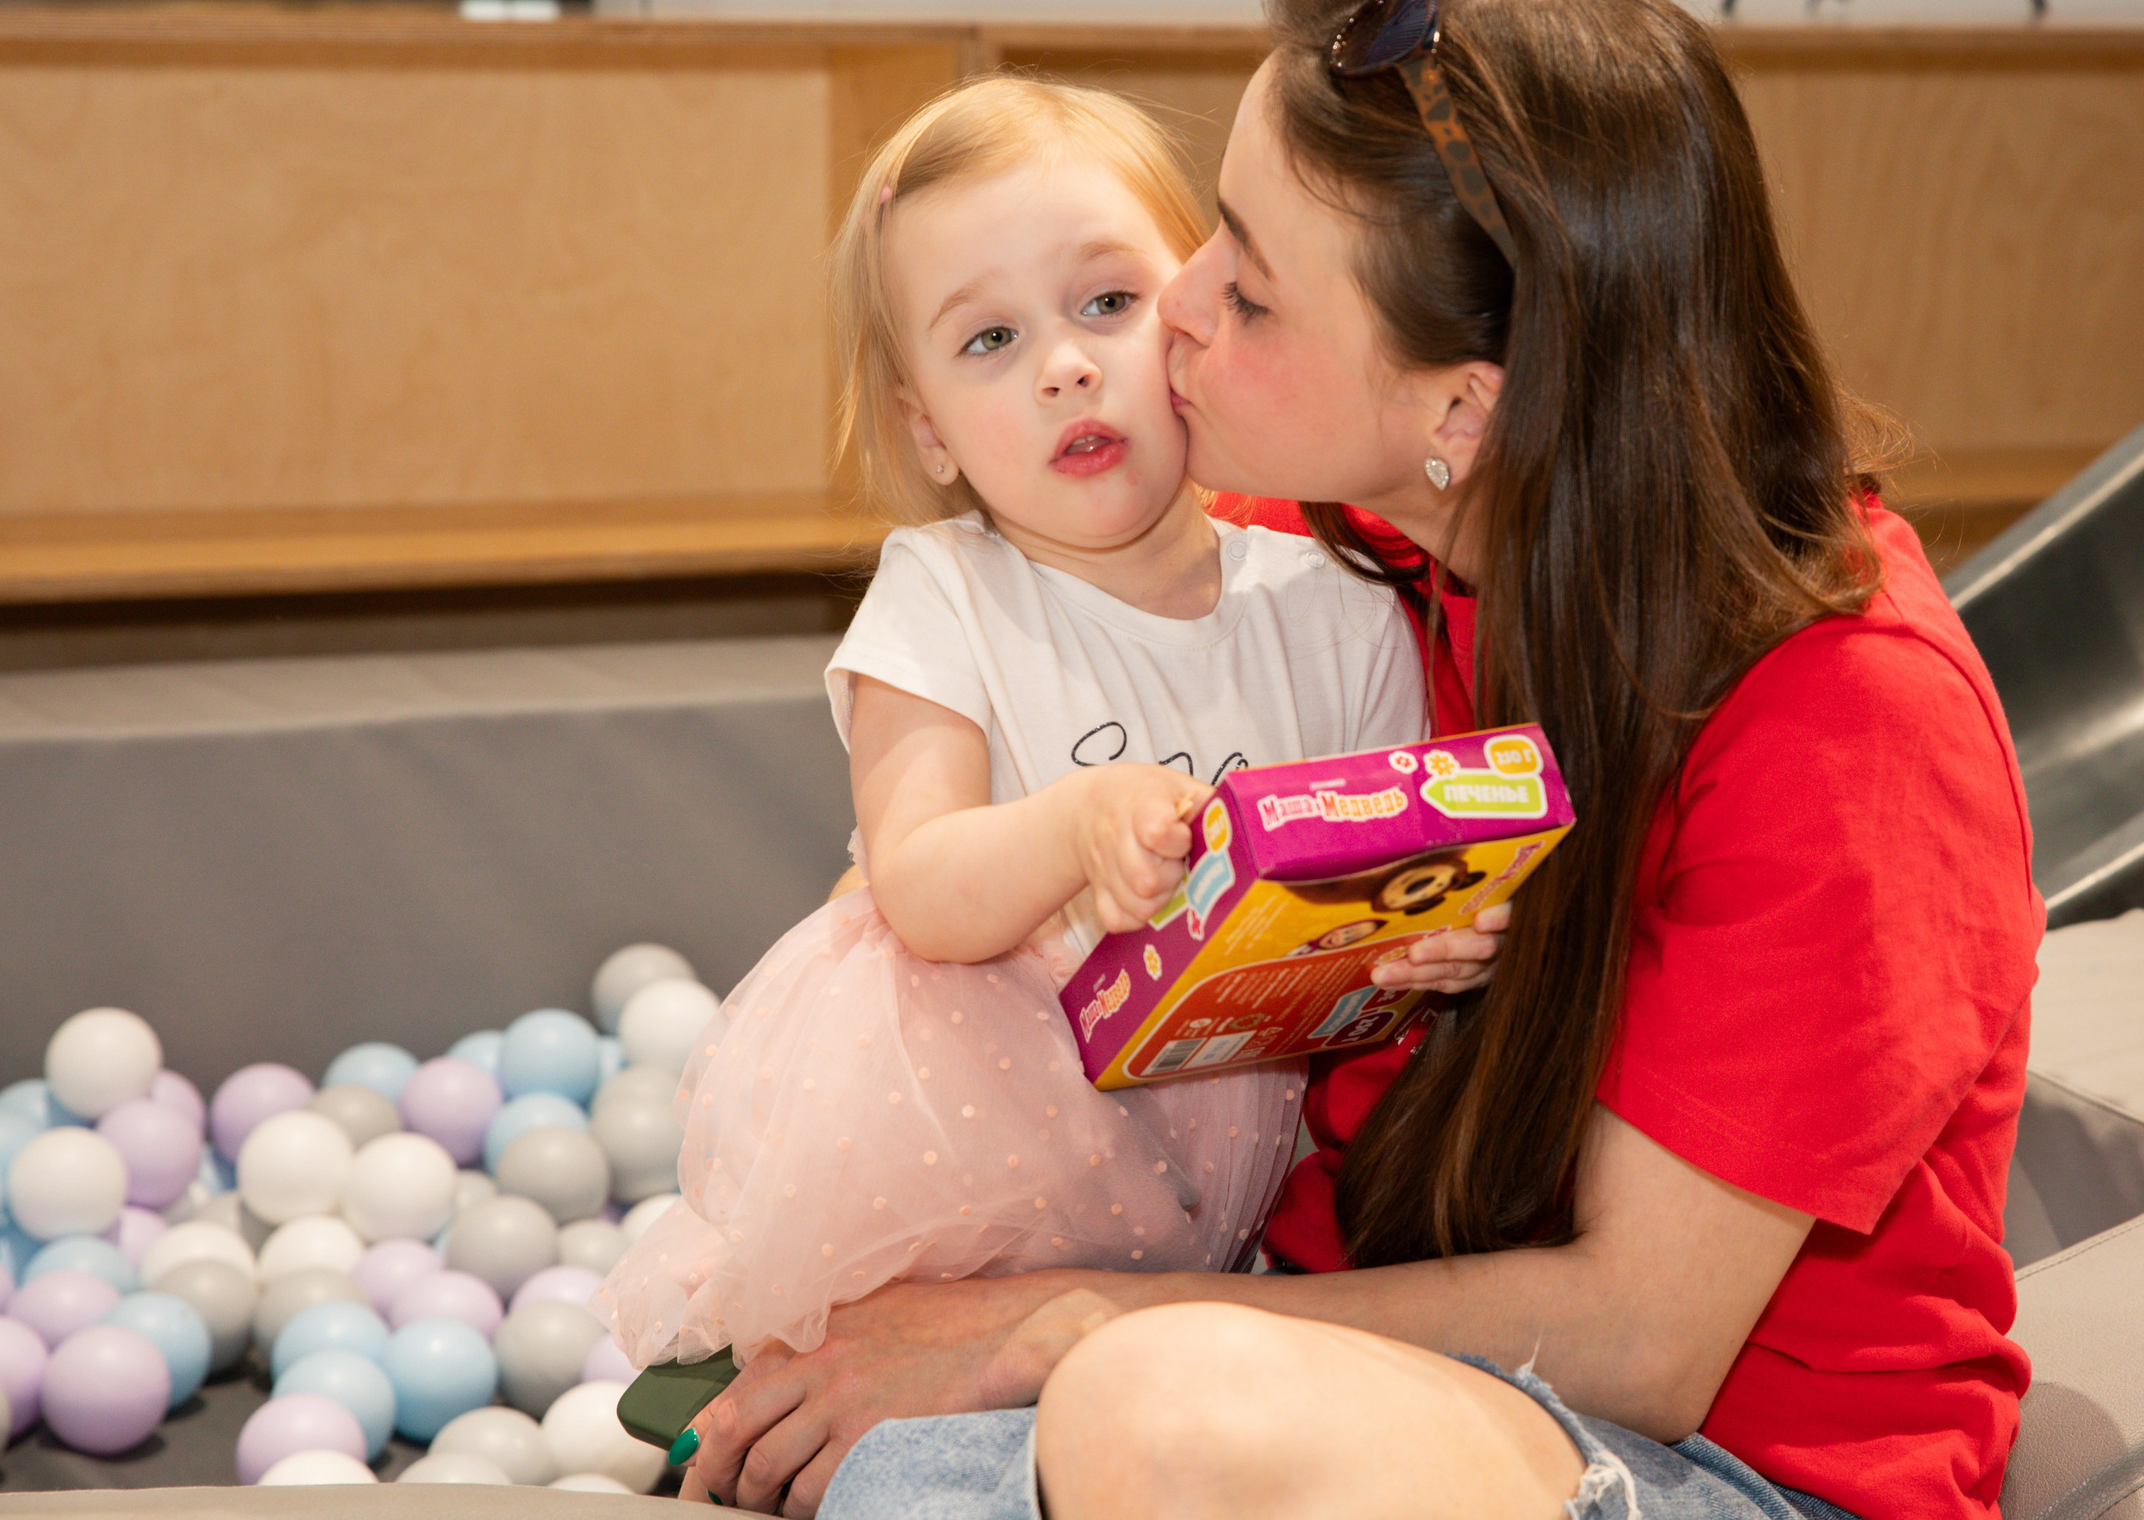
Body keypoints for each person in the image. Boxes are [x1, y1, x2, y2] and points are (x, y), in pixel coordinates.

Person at [680, 0, 2042, 1520]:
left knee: (1153, 1418)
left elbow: (1640, 1337)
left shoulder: (1846, 730)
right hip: (1345, 1328)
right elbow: (951, 850)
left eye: (1247, 292)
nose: (1169, 313)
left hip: (1688, 1457)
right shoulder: (1359, 540)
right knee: (862, 1464)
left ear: (1464, 405)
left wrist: (1051, 1327)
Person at [597, 75, 1502, 1374]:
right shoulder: (946, 594)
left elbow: (1372, 884)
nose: (1066, 364)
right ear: (932, 431)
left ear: (1196, 320)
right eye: (989, 342)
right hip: (964, 1159)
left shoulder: (1334, 608)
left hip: (1215, 1180)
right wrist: (1075, 826)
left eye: (1107, 304)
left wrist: (1438, 933)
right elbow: (918, 885)